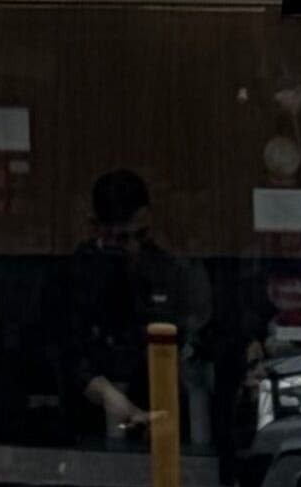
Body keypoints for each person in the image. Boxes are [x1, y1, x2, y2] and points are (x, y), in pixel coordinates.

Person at [42, 168, 212, 442]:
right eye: (120, 239)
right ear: (95, 227)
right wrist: (114, 400)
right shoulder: (72, 276)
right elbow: (69, 355)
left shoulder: (168, 269)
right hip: (90, 425)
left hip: (163, 411)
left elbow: (195, 336)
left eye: (141, 235)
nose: (133, 248)